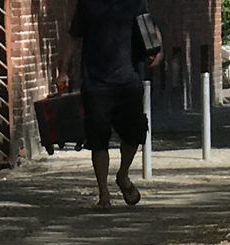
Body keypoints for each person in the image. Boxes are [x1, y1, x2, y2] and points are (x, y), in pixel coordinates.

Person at [64, 0, 162, 211]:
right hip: (95, 82)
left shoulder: (135, 2)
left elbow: (150, 29)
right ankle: (104, 194)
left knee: (134, 134)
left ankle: (123, 175)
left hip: (128, 80)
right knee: (98, 139)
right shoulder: (87, 4)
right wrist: (63, 69)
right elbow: (73, 36)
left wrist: (157, 51)